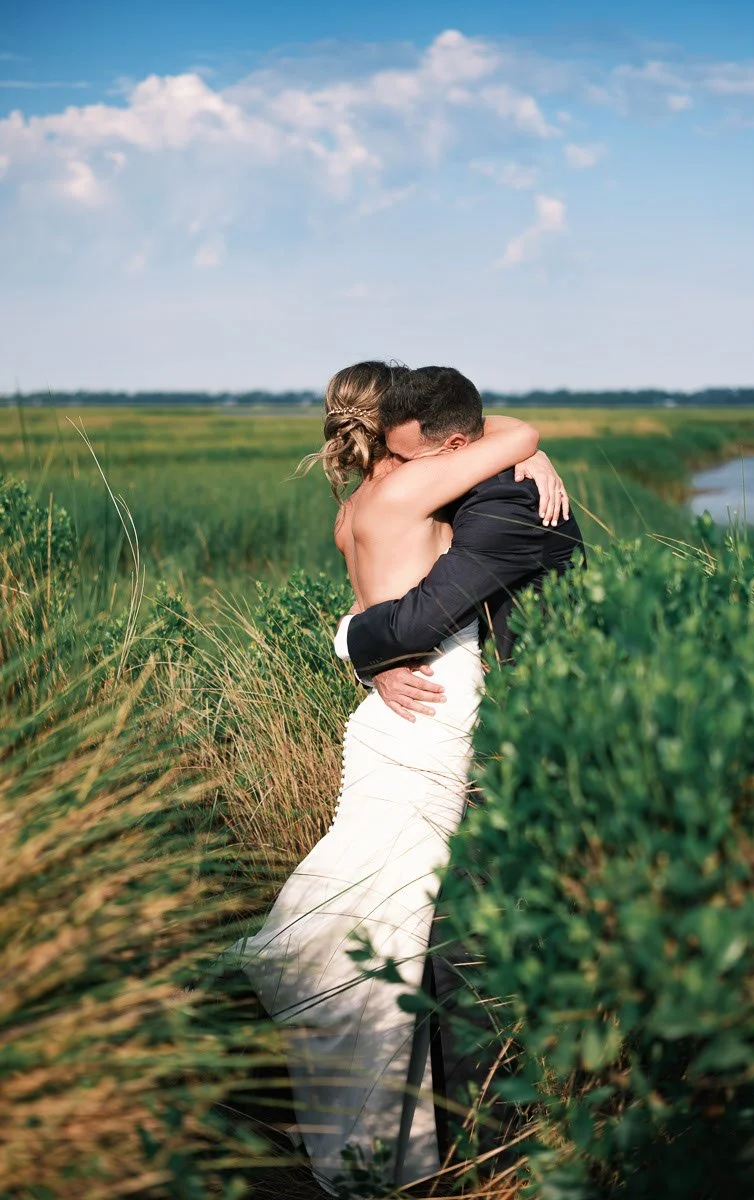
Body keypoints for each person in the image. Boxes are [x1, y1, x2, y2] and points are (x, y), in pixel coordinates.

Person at [232, 360, 563, 1196]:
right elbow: (513, 434)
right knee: (399, 915)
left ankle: (374, 1110)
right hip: (432, 714)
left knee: (381, 904)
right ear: (398, 435)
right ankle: (400, 1134)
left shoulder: (352, 511)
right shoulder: (413, 491)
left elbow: (374, 612)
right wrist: (534, 452)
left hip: (387, 712)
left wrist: (361, 655)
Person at [334, 366, 586, 1158]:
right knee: (431, 922)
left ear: (448, 447)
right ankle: (459, 1132)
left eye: (414, 459)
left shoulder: (509, 502)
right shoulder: (461, 480)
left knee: (453, 925)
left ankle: (487, 1134)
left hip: (513, 740)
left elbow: (419, 615)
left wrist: (352, 642)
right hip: (438, 723)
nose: (403, 472)